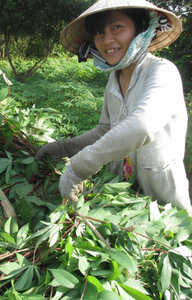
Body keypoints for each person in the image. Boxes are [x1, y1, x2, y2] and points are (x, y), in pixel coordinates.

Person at [35, 0, 192, 216]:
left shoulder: (162, 72)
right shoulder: (114, 79)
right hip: (121, 201)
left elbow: (140, 126)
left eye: (117, 27)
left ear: (141, 29)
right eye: (99, 32)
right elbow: (105, 130)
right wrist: (66, 148)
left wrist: (78, 167)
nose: (106, 39)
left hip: (165, 209)